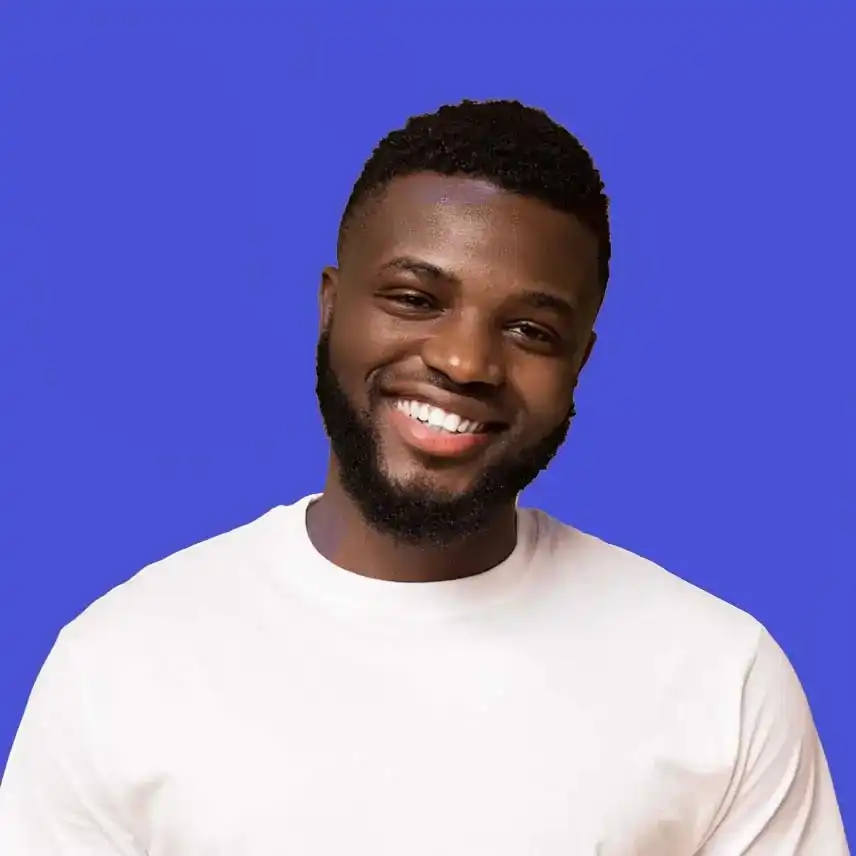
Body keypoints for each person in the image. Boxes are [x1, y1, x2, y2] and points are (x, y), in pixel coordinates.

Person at [0, 99, 848, 855]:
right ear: (332, 306)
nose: (464, 360)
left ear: (581, 362)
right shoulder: (122, 665)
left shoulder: (718, 680)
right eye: (414, 298)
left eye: (529, 329)